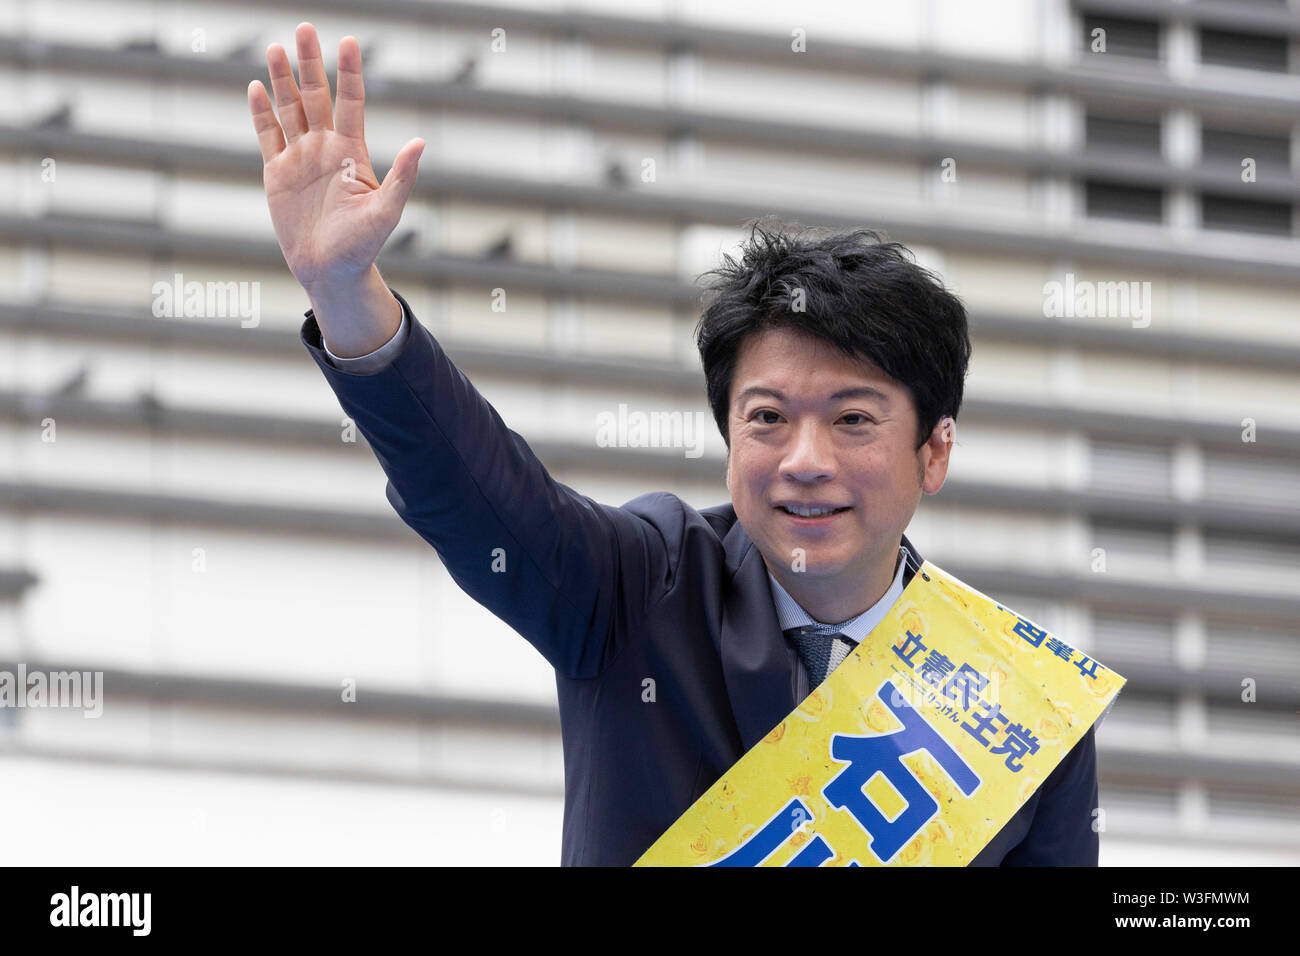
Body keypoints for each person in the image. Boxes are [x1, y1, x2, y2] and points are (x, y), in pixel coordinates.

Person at [248, 22, 1099, 866]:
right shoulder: (641, 586)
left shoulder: (1022, 708)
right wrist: (346, 290)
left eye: (852, 419)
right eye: (767, 417)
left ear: (935, 451)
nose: (805, 458)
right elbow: (478, 495)